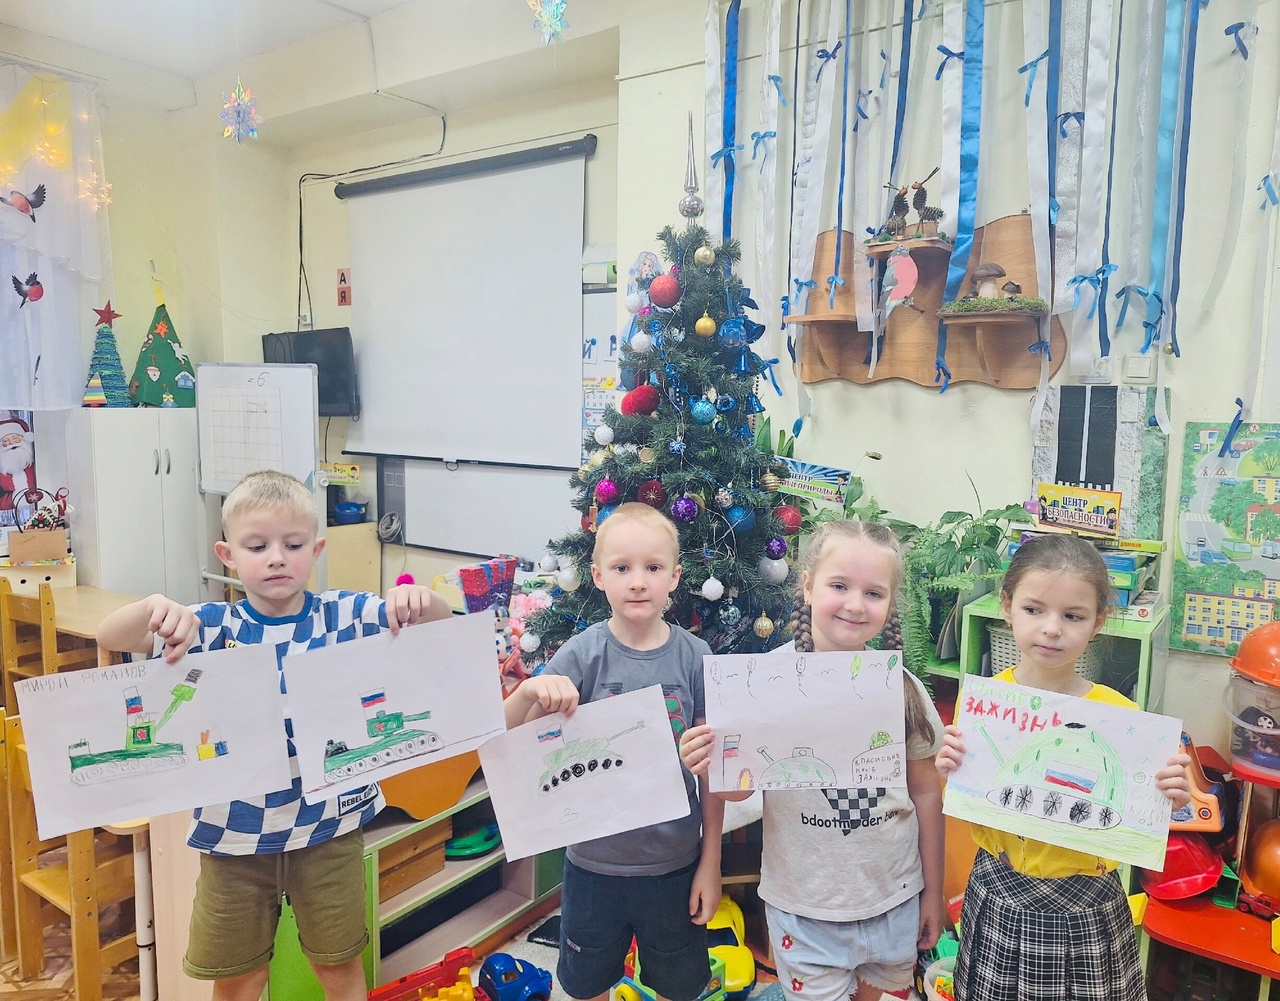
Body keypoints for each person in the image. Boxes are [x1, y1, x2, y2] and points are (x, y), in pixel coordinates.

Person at [96, 470, 451, 1001]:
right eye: (258, 546)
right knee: (239, 978)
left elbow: (441, 626)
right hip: (234, 838)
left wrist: (420, 602)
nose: (277, 558)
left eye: (294, 545)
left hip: (329, 832)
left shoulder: (344, 615)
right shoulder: (209, 626)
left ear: (317, 550)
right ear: (227, 555)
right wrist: (153, 609)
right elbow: (109, 634)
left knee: (339, 967)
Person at [679, 520, 946, 1001]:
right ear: (806, 585)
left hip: (893, 900)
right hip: (804, 907)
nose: (855, 605)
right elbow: (738, 789)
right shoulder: (765, 684)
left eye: (874, 593)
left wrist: (934, 890)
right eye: (839, 585)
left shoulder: (903, 690)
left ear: (890, 603)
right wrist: (710, 759)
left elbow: (926, 792)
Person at [935, 533, 1191, 1001]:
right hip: (998, 891)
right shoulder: (984, 707)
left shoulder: (1122, 717)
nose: (1051, 629)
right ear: (1007, 607)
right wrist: (949, 766)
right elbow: (975, 798)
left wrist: (1169, 797)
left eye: (1073, 616)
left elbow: (1142, 811)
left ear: (1098, 622)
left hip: (1087, 903)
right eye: (1034, 609)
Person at [504, 502, 723, 1001]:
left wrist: (711, 863)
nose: (638, 582)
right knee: (586, 986)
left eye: (654, 568)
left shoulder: (696, 657)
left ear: (675, 577)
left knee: (679, 986)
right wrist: (529, 691)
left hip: (675, 864)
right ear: (598, 576)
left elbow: (712, 774)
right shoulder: (581, 654)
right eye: (622, 568)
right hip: (591, 867)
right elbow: (508, 742)